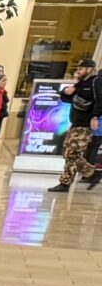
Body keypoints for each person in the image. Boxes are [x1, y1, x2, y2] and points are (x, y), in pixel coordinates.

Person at [56, 57, 101, 191]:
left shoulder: (96, 82)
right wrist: (65, 91)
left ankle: (65, 183)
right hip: (75, 124)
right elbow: (67, 98)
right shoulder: (80, 83)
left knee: (72, 154)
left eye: (81, 68)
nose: (78, 71)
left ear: (89, 69)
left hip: (85, 125)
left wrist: (95, 117)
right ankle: (92, 173)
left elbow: (100, 101)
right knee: (68, 153)